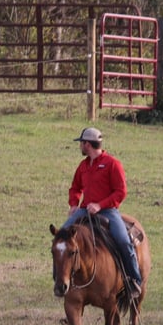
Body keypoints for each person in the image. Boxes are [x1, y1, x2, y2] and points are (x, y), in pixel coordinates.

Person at [60, 127, 143, 298]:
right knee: (61, 236)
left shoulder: (113, 164)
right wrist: (74, 204)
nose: (80, 147)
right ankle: (61, 275)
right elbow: (75, 187)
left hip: (108, 211)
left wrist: (100, 205)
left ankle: (135, 280)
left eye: (81, 143)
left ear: (87, 145)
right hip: (84, 210)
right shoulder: (83, 166)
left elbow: (121, 192)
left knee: (123, 241)